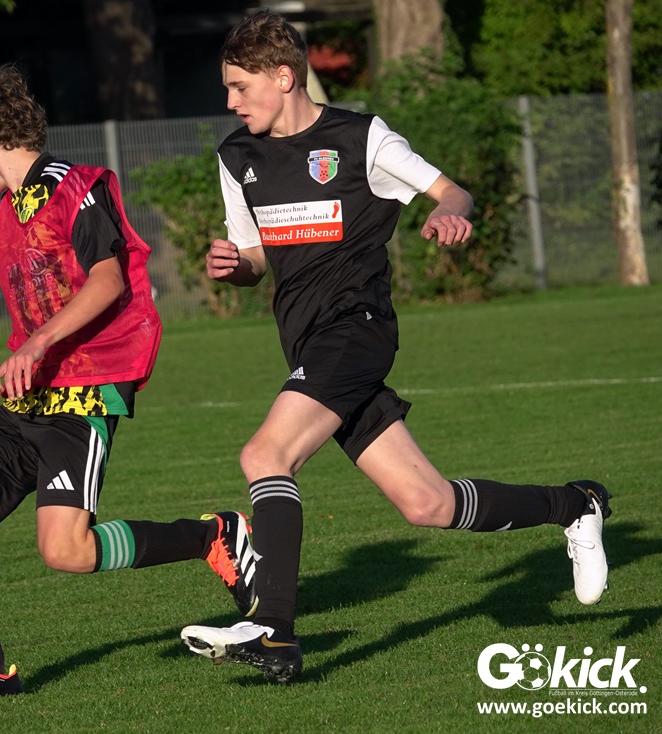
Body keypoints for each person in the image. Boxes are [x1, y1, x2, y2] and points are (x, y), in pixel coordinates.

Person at [179, 10, 611, 685]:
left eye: (239, 86)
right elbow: (256, 256)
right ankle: (574, 505)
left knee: (266, 454)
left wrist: (448, 213)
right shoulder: (238, 156)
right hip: (306, 344)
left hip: (356, 329)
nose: (231, 102)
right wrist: (235, 266)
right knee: (426, 503)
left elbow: (453, 191)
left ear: (283, 77)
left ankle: (275, 631)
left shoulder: (360, 138)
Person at [0, 65, 258, 704]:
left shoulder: (76, 187)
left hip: (84, 391)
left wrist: (37, 341)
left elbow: (107, 279)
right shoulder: (14, 208)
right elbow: (29, 270)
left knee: (66, 552)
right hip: (30, 392)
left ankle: (215, 536)